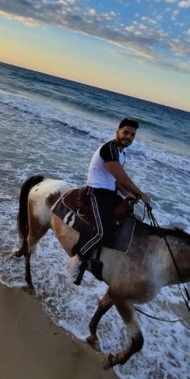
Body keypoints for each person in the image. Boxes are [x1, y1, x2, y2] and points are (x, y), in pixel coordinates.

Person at [69, 118, 152, 285]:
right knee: (102, 231)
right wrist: (141, 193)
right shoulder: (110, 149)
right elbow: (122, 177)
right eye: (126, 132)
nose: (128, 137)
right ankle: (77, 259)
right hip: (95, 192)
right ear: (118, 132)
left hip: (109, 193)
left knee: (129, 219)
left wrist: (128, 194)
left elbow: (117, 181)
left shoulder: (121, 153)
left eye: (132, 135)